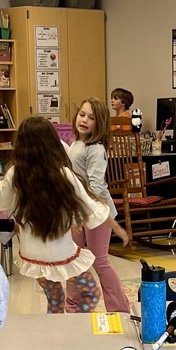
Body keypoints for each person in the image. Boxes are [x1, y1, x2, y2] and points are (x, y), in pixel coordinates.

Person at [0, 116, 108, 314]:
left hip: (32, 255)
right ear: (53, 144)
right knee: (91, 294)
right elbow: (90, 210)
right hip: (62, 254)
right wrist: (100, 207)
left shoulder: (16, 173)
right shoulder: (63, 173)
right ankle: (72, 327)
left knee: (55, 299)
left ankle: (54, 332)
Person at [68, 97, 131, 313]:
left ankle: (120, 309)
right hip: (78, 212)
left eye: (91, 118)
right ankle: (73, 306)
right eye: (82, 114)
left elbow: (96, 187)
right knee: (73, 258)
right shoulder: (75, 144)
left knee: (100, 261)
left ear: (100, 123)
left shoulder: (95, 149)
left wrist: (112, 224)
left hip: (96, 211)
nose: (84, 120)